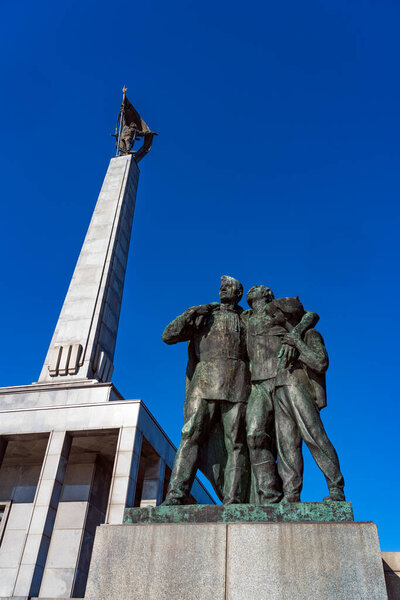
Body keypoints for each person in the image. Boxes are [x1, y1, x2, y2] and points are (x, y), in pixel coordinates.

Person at [161, 276, 250, 505]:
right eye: (220, 286)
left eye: (227, 286)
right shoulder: (204, 315)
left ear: (238, 293)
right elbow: (168, 335)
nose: (222, 289)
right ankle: (176, 495)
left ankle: (234, 500)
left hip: (238, 383)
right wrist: (191, 312)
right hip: (204, 381)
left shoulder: (247, 319)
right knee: (189, 435)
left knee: (236, 442)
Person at [244, 285, 318, 503]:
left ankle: (291, 494)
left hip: (283, 379)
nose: (252, 289)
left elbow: (310, 315)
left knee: (289, 440)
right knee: (254, 435)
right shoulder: (244, 317)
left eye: (257, 288)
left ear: (267, 294)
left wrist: (294, 334)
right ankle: (269, 496)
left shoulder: (278, 307)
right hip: (257, 384)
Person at [274, 326, 345, 502]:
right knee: (287, 444)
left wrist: (297, 343)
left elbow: (321, 362)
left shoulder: (309, 334)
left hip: (299, 386)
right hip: (279, 387)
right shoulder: (280, 335)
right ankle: (291, 493)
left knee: (315, 437)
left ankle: (336, 487)